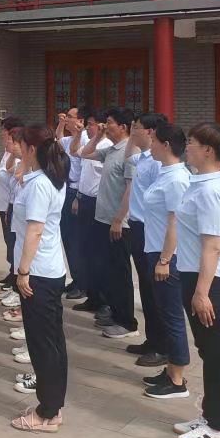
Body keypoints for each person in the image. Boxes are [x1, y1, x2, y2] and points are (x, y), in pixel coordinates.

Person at [173, 122, 220, 438]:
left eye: (192, 142)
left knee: (218, 356)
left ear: (208, 150)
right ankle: (209, 415)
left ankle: (217, 429)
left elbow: (212, 245)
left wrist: (201, 293)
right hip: (195, 276)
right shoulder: (201, 182)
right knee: (208, 351)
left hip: (210, 283)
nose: (187, 147)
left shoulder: (211, 190)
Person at [10, 125, 70, 434]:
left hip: (38, 274)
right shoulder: (50, 179)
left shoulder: (39, 185)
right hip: (50, 270)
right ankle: (52, 406)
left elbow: (34, 230)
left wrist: (23, 272)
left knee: (43, 344)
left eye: (21, 145)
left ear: (32, 149)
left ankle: (47, 412)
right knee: (52, 341)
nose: (17, 149)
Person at [141, 121, 191, 400]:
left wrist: (165, 259)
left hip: (167, 256)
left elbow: (176, 222)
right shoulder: (165, 173)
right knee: (164, 313)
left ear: (166, 145)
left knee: (172, 316)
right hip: (155, 251)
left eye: (154, 141)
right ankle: (171, 369)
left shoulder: (177, 179)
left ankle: (177, 380)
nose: (151, 145)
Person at [81, 107, 140, 339]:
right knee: (107, 270)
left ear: (123, 127)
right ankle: (115, 313)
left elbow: (130, 189)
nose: (105, 126)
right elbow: (83, 153)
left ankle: (127, 322)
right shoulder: (111, 150)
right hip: (102, 219)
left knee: (120, 273)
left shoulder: (129, 152)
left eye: (109, 122)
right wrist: (98, 136)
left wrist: (118, 219)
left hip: (118, 224)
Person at [125, 112, 168, 367]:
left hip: (149, 230)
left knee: (155, 291)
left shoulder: (157, 164)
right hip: (137, 227)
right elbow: (127, 156)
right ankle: (152, 340)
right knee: (145, 287)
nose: (133, 131)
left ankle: (163, 347)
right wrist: (132, 136)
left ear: (150, 132)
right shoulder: (143, 158)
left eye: (137, 128)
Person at [69, 109, 110, 314]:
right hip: (84, 200)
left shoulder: (107, 146)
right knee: (85, 250)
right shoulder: (91, 144)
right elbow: (75, 151)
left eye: (92, 124)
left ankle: (103, 300)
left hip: (98, 204)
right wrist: (78, 197)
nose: (88, 127)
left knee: (98, 254)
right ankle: (92, 296)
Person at [56, 106, 88, 298]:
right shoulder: (68, 140)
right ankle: (75, 278)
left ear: (80, 121)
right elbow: (59, 140)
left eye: (70, 117)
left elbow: (85, 172)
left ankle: (82, 283)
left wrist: (78, 197)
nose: (66, 119)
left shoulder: (86, 141)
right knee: (67, 238)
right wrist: (61, 124)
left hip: (76, 191)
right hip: (66, 188)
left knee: (76, 239)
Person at [0, 115, 25, 289]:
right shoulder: (8, 152)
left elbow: (13, 174)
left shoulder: (20, 154)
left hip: (14, 203)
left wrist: (13, 153)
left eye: (5, 131)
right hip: (5, 203)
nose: (3, 135)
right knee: (9, 241)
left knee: (14, 242)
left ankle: (16, 278)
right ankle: (12, 272)